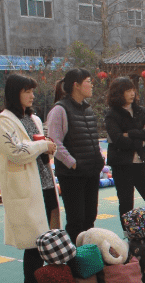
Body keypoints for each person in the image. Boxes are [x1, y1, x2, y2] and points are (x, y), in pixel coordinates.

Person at [0, 74, 58, 283]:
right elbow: (16, 151)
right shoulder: (4, 120)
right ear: (15, 93)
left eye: (32, 91)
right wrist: (42, 147)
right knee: (34, 243)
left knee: (48, 238)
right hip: (27, 188)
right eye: (27, 91)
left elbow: (40, 147)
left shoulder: (35, 119)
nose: (32, 96)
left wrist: (48, 147)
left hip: (46, 183)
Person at [47, 68, 105, 245]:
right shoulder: (60, 110)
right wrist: (73, 164)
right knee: (76, 220)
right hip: (72, 175)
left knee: (89, 217)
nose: (91, 84)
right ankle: (75, 260)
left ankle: (89, 258)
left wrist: (99, 159)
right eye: (88, 81)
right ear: (76, 85)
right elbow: (54, 142)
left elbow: (92, 139)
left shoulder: (87, 109)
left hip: (91, 172)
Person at [104, 77, 145, 223]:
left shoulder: (140, 111)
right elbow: (118, 139)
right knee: (126, 203)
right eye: (127, 90)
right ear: (118, 93)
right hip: (122, 165)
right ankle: (128, 236)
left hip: (142, 162)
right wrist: (141, 140)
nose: (132, 93)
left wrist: (131, 134)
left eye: (132, 89)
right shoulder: (112, 114)